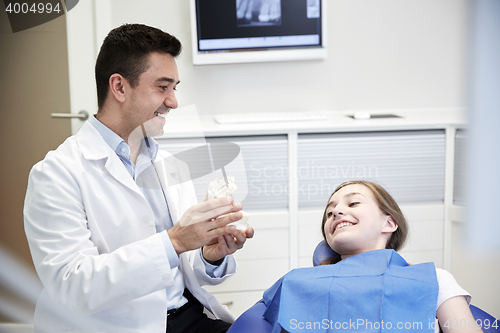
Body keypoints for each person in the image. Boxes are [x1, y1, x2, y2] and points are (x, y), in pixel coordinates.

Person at [24, 23, 254, 333]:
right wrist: (175, 241)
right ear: (119, 87)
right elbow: (72, 286)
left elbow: (185, 269)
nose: (173, 101)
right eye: (162, 87)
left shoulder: (167, 163)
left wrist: (210, 256)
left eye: (174, 88)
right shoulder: (55, 174)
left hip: (186, 315)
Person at [228, 180, 482, 333]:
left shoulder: (433, 280)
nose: (337, 211)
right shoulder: (298, 284)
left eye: (352, 204)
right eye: (329, 212)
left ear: (390, 222)